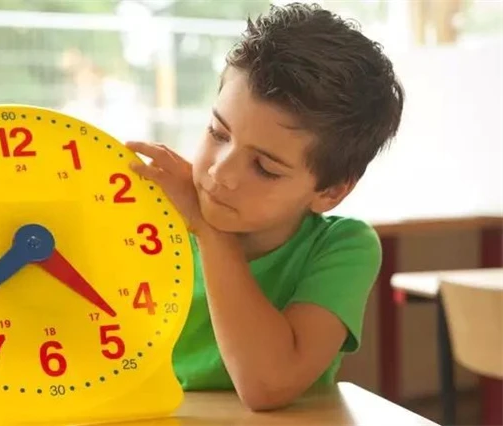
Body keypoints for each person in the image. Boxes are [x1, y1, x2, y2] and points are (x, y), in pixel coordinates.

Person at [125, 2, 404, 411]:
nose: (220, 172)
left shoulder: (344, 246)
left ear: (330, 192)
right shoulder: (148, 223)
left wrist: (211, 232)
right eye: (218, 133)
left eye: (264, 168)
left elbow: (267, 385)